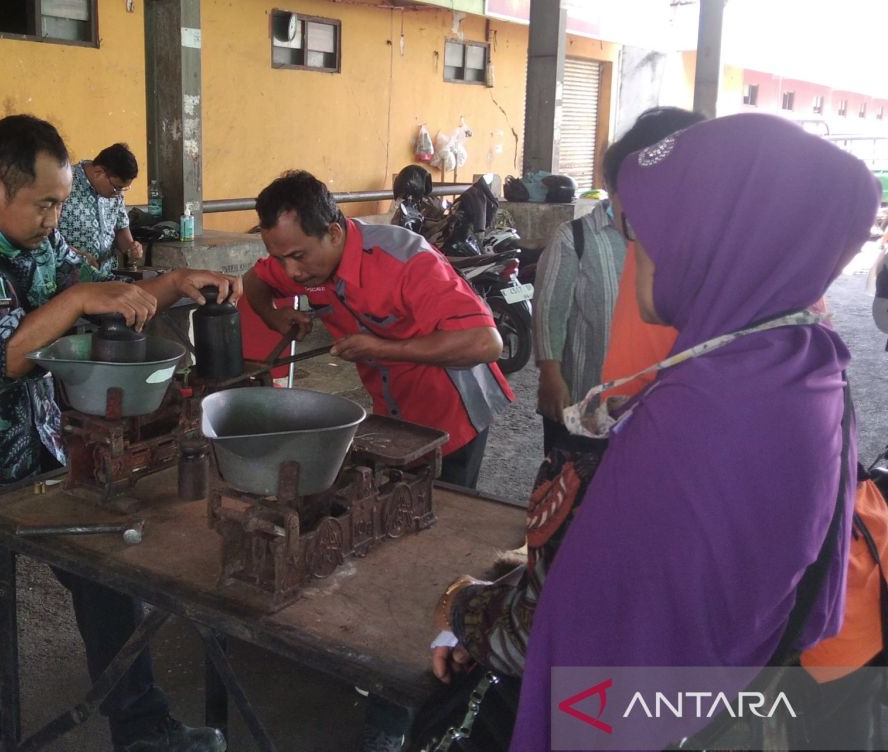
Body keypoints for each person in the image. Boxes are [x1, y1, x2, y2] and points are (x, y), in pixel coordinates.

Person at [504, 114, 878, 749]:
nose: (637, 256)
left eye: (648, 237)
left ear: (713, 243)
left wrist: (482, 618)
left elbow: (608, 620)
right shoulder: (799, 354)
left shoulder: (706, 410)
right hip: (724, 685)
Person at [0, 114, 232, 752]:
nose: (55, 218)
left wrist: (173, 284)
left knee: (104, 579)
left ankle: (143, 729)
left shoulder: (37, 243)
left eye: (60, 203)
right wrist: (74, 306)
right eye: (45, 204)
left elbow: (92, 289)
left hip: (39, 447)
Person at [241, 170, 512, 752]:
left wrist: (384, 349)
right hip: (393, 417)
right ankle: (389, 678)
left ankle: (423, 708)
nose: (291, 272)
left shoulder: (405, 258)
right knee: (390, 539)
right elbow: (254, 282)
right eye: (280, 257)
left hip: (453, 415)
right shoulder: (293, 260)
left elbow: (487, 343)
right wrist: (278, 317)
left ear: (335, 229)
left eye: (299, 257)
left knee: (436, 556)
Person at [534, 107, 705, 454]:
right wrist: (550, 373)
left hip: (656, 425)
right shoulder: (577, 238)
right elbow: (550, 310)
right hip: (595, 404)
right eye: (617, 187)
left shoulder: (701, 254)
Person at [59, 142, 145, 276]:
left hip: (107, 275)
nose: (118, 193)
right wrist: (75, 255)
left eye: (123, 189)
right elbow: (47, 236)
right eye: (116, 187)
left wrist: (132, 249)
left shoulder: (115, 193)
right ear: (98, 172)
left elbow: (120, 229)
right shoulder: (64, 182)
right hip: (71, 278)